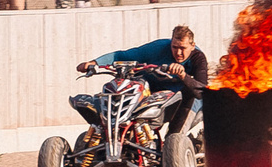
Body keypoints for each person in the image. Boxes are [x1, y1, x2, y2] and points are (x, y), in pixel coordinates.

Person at [76, 24, 209, 136]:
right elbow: (123, 55)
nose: (178, 53)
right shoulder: (158, 48)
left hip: (184, 99)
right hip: (155, 93)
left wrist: (183, 76)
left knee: (173, 138)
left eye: (183, 48)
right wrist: (95, 62)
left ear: (192, 46)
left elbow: (201, 91)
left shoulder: (198, 57)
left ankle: (174, 142)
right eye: (175, 47)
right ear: (171, 43)